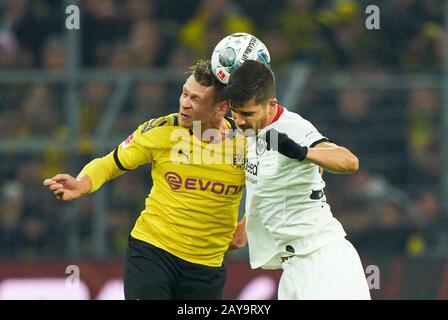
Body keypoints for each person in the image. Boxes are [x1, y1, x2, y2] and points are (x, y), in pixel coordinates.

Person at [43, 59, 247, 300]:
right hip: (153, 252)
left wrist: (249, 223)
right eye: (184, 93)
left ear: (221, 108)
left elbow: (275, 186)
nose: (184, 103)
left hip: (207, 265)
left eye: (196, 99)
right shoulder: (161, 131)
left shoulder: (247, 143)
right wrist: (81, 184)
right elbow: (110, 163)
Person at [224, 60, 371, 300]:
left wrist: (302, 153)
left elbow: (349, 161)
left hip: (324, 262)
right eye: (235, 112)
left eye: (247, 113)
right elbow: (267, 196)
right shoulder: (251, 131)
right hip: (292, 269)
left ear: (271, 105)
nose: (239, 121)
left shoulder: (293, 128)